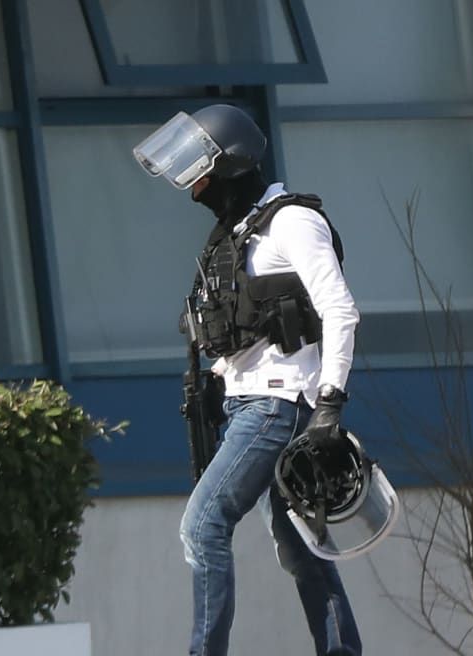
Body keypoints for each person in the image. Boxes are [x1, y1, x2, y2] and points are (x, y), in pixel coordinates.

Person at [133, 104, 362, 656]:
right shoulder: (238, 233)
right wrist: (219, 374)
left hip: (276, 407)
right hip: (248, 402)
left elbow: (340, 310)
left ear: (232, 167)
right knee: (299, 550)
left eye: (202, 178)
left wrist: (329, 402)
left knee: (202, 526)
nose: (194, 193)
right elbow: (249, 329)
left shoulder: (291, 222)